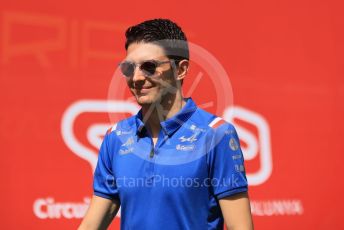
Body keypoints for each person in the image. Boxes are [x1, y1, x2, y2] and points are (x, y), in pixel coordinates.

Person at [79, 18, 253, 230]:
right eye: (128, 68)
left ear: (181, 70)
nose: (136, 78)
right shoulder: (115, 137)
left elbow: (240, 227)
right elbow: (91, 225)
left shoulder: (217, 135)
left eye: (149, 67)